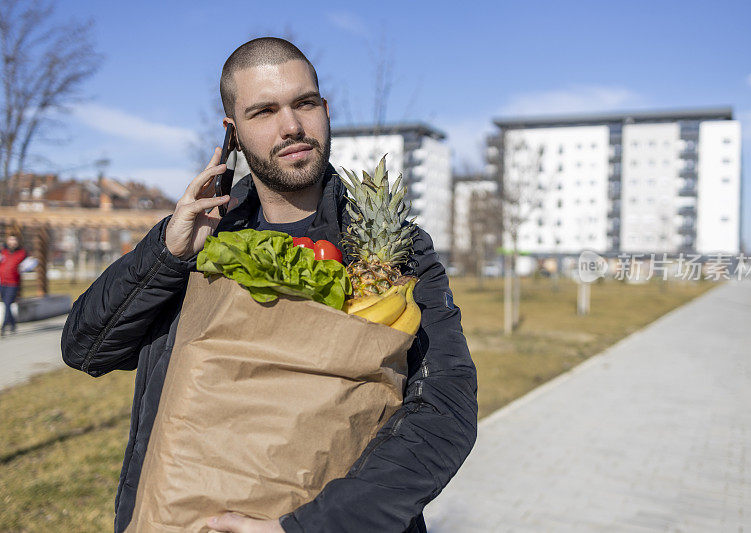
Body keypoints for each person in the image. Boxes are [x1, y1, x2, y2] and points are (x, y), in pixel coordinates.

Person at [61, 37, 477, 533]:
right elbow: (86, 349)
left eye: (304, 103)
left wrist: (307, 527)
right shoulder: (196, 243)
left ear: (325, 109)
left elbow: (444, 408)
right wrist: (166, 254)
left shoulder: (394, 254)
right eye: (264, 111)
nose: (292, 126)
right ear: (232, 133)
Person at [1, 233, 27, 336]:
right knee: (6, 303)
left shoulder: (22, 253)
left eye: (14, 240)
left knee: (7, 303)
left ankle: (3, 326)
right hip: (2, 282)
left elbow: (30, 263)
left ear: (17, 242)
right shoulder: (3, 252)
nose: (12, 242)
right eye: (11, 240)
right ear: (7, 241)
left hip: (13, 283)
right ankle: (12, 324)